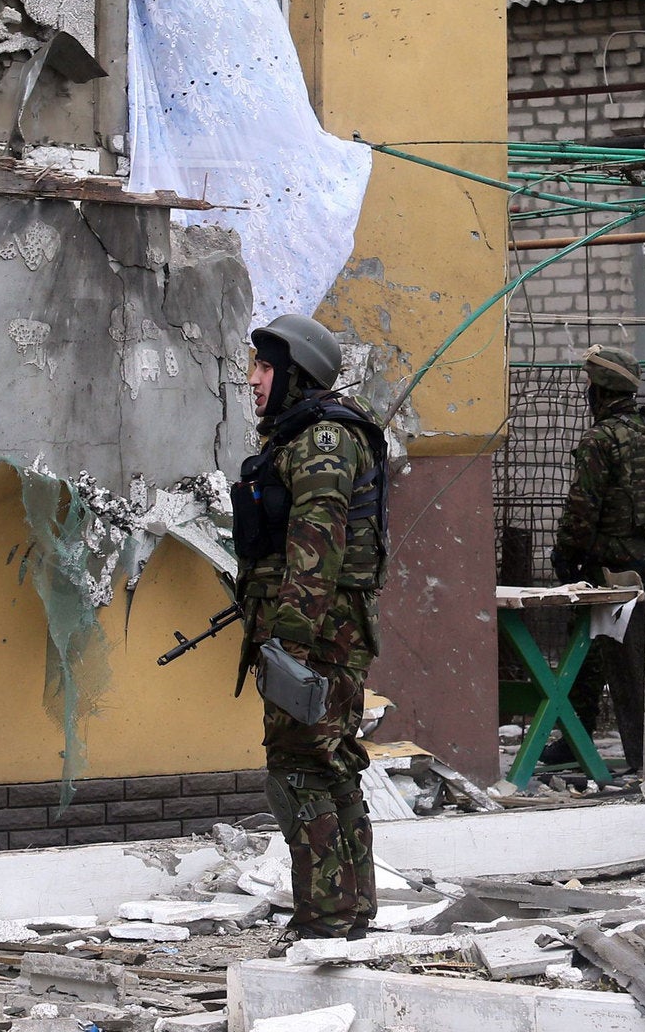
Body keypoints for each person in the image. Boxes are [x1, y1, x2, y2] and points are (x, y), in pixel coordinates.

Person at [238, 313, 389, 939]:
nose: (252, 380)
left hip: (317, 633)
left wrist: (288, 646)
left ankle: (324, 918)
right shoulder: (301, 436)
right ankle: (350, 912)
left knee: (299, 768)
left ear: (296, 372)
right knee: (331, 763)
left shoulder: (323, 441)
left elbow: (315, 549)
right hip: (319, 628)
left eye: (264, 367)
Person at [545, 344, 645, 773]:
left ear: (599, 392)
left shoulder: (600, 440)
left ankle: (575, 736)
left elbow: (583, 505)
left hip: (604, 567)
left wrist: (566, 553)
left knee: (582, 652)